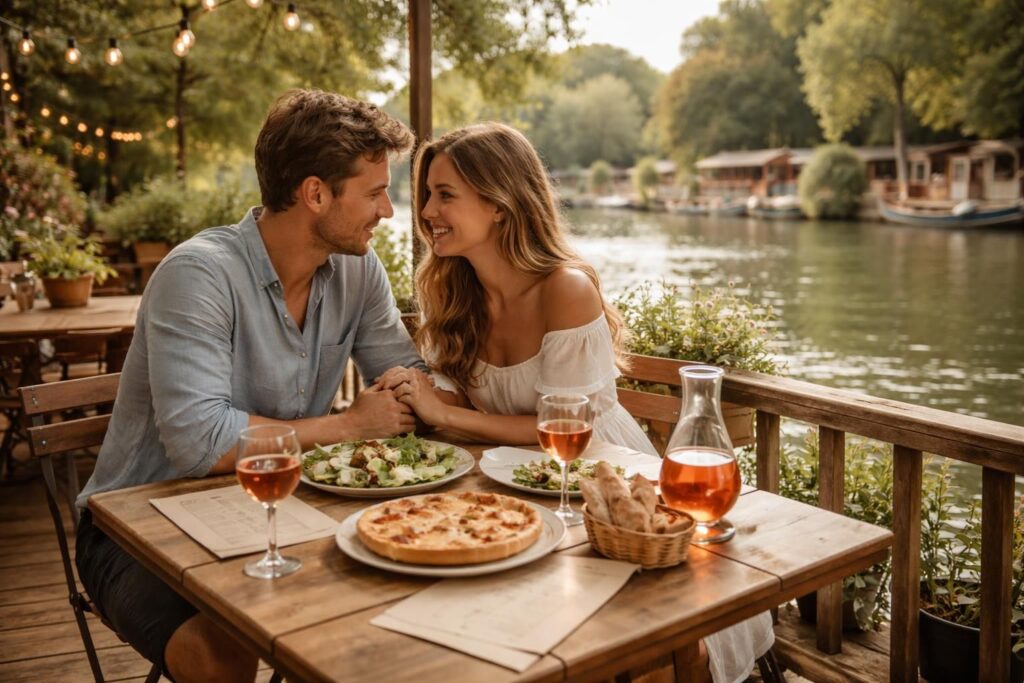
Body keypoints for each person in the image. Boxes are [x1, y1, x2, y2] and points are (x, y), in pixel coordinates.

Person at [379, 122, 774, 683]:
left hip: (594, 480)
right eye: (426, 194)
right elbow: (459, 391)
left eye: (445, 194)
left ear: (500, 204)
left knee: (634, 642)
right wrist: (420, 392)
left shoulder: (565, 289)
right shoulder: (448, 288)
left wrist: (442, 413)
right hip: (508, 484)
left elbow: (564, 427)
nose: (425, 210)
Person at [75, 90, 425, 683]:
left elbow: (404, 373)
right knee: (222, 657)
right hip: (136, 530)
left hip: (281, 512)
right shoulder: (199, 274)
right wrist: (347, 426)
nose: (388, 211)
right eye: (373, 193)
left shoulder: (358, 270)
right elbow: (201, 444)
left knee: (396, 599)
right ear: (315, 194)